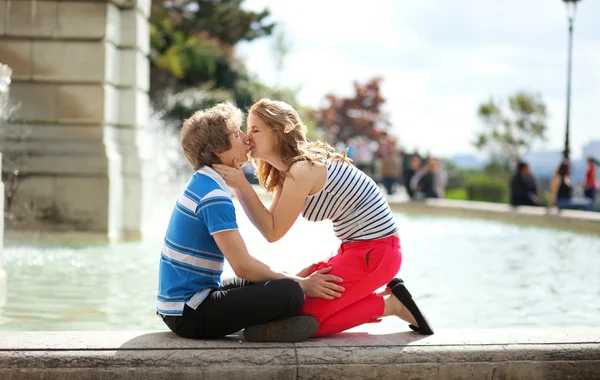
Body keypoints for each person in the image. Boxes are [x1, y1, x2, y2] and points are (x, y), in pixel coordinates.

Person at [214, 99, 433, 337]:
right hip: (356, 250)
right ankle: (370, 298)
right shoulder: (290, 170)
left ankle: (391, 305)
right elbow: (270, 229)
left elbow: (273, 230)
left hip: (377, 253)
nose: (247, 137)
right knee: (290, 304)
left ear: (278, 132)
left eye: (256, 130)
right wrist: (239, 185)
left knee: (303, 320)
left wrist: (241, 186)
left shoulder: (302, 169)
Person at [156, 103, 345, 342]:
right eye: (236, 134)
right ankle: (269, 326)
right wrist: (301, 284)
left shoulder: (205, 183)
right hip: (189, 314)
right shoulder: (213, 196)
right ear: (217, 149)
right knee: (291, 293)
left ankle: (276, 313)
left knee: (268, 282)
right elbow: (243, 265)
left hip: (183, 305)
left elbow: (250, 263)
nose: (246, 138)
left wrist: (290, 276)